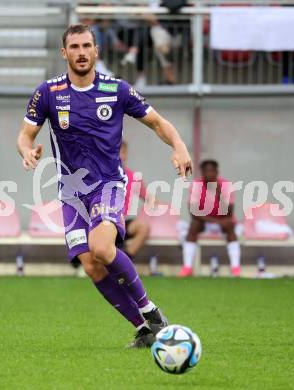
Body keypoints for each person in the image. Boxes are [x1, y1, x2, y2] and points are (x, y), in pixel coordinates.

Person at [17, 24, 192, 348]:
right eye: (75, 47)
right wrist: (27, 150)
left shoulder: (118, 90)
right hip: (71, 193)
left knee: (101, 247)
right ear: (64, 52)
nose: (81, 52)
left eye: (87, 46)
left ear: (96, 50)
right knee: (91, 265)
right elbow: (26, 134)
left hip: (109, 184)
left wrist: (178, 145)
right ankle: (144, 328)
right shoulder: (48, 92)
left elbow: (157, 122)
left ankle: (150, 310)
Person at [179, 160, 241, 278]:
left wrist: (219, 194)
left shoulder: (225, 185)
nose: (209, 174)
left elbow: (229, 212)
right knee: (194, 225)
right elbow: (194, 212)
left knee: (230, 225)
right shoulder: (196, 185)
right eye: (206, 171)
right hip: (204, 222)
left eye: (212, 171)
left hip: (224, 222)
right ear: (201, 172)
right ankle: (187, 268)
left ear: (217, 172)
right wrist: (217, 222)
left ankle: (235, 268)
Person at [117, 140, 153, 260]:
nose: (118, 155)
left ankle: (126, 259)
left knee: (143, 227)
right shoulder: (100, 175)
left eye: (121, 152)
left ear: (126, 154)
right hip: (104, 221)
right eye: (115, 151)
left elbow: (148, 197)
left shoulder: (133, 177)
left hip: (123, 222)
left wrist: (165, 206)